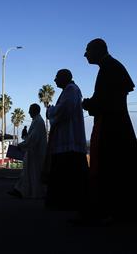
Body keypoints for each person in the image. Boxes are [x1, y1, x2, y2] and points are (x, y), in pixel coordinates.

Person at [79, 38, 137, 224]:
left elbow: (106, 101)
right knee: (121, 168)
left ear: (98, 50)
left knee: (113, 168)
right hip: (117, 124)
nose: (85, 54)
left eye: (88, 50)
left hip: (112, 126)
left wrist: (88, 104)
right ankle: (120, 209)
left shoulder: (109, 68)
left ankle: (114, 210)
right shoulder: (110, 67)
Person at [44, 69, 89, 211]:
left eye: (57, 77)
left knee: (67, 172)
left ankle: (67, 201)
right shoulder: (69, 90)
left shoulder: (71, 90)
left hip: (69, 139)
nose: (55, 80)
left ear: (65, 78)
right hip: (66, 140)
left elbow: (64, 110)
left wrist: (50, 111)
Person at [8, 104, 48, 199]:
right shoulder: (37, 121)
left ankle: (32, 193)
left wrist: (21, 145)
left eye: (30, 110)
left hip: (36, 154)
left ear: (34, 111)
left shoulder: (38, 122)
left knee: (33, 174)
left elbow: (33, 139)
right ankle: (20, 190)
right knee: (28, 174)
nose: (29, 112)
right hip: (33, 153)